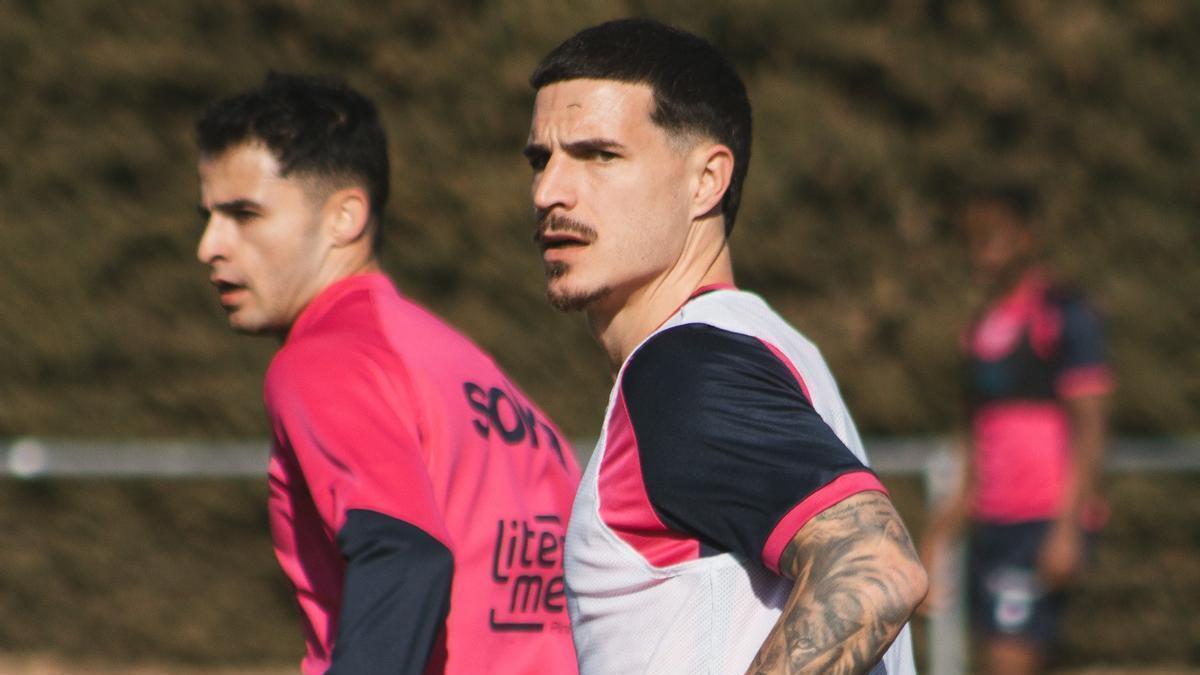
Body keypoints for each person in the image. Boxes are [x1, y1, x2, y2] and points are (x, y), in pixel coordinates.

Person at [523, 19, 927, 674]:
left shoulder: (684, 370)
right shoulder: (766, 344)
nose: (548, 192)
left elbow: (874, 567)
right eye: (541, 159)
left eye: (599, 155)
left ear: (707, 179)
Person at [194, 73, 581, 675]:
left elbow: (404, 555)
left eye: (244, 213)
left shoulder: (325, 358)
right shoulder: (469, 371)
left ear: (344, 215)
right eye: (208, 216)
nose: (210, 245)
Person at [920, 185, 1114, 674]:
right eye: (974, 240)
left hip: (1041, 520)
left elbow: (1090, 426)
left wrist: (1067, 526)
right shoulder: (978, 329)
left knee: (1009, 660)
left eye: (993, 238)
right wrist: (940, 532)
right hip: (992, 524)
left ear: (1026, 238)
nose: (981, 251)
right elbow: (974, 442)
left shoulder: (1063, 314)